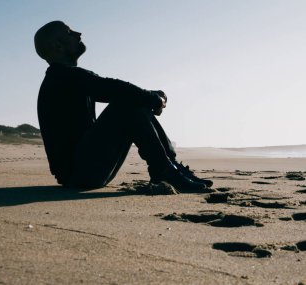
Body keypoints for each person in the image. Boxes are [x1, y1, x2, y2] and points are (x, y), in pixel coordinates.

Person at [34, 20, 213, 193]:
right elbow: (113, 89)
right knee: (126, 104)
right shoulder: (62, 78)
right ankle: (164, 169)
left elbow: (113, 88)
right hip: (79, 174)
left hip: (83, 172)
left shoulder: (66, 78)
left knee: (130, 101)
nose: (78, 34)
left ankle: (170, 167)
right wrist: (155, 100)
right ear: (57, 46)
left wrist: (151, 97)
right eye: (69, 32)